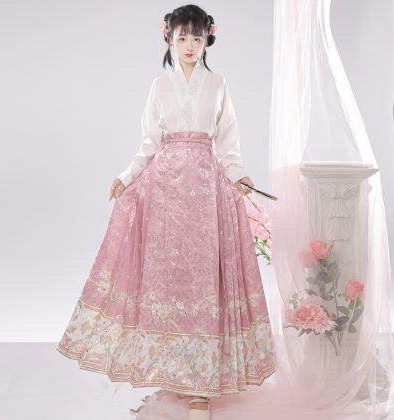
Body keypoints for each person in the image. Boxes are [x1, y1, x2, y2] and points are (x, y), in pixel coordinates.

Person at [57, 5, 277, 420]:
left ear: (208, 39)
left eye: (197, 37)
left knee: (203, 278)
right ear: (169, 39)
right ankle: (175, 371)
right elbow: (149, 141)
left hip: (205, 190)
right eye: (182, 37)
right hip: (165, 191)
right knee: (170, 278)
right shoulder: (160, 86)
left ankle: (202, 386)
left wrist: (239, 175)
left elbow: (227, 141)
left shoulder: (219, 84)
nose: (189, 45)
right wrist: (126, 176)